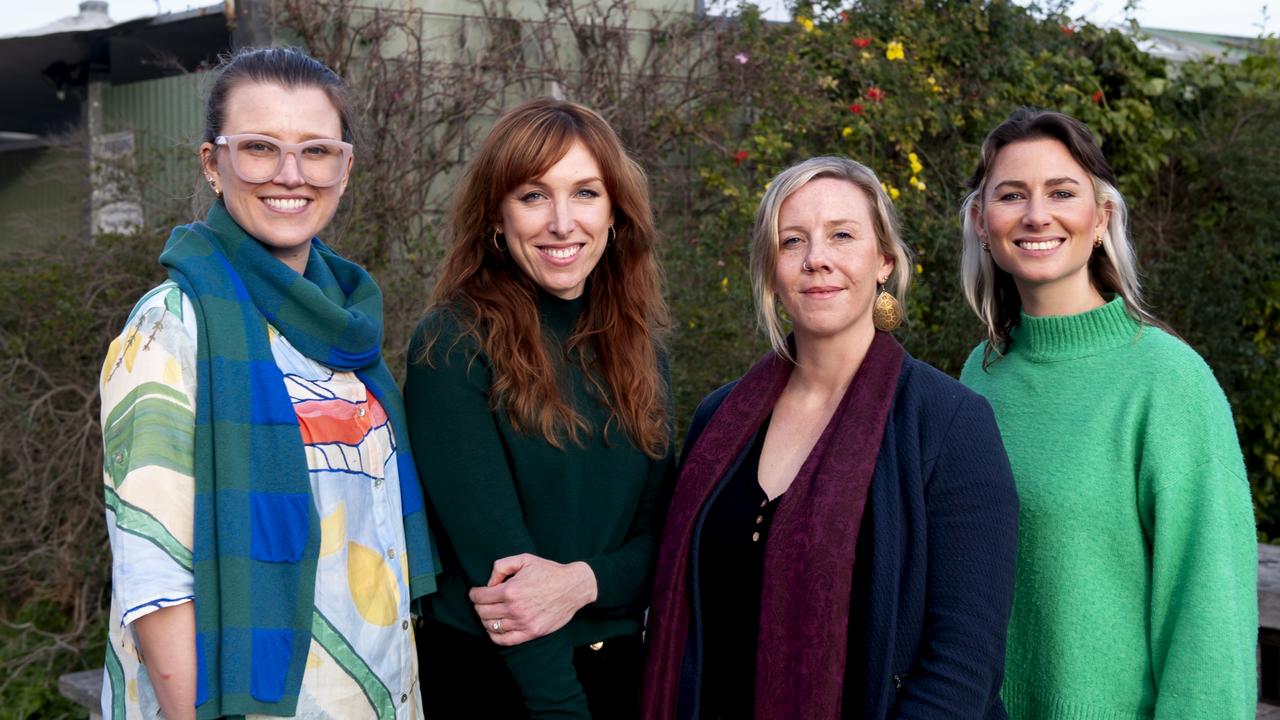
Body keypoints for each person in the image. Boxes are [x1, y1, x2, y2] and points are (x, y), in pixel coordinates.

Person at [99, 47, 438, 719]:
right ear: (211, 163)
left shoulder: (344, 324)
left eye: (316, 151)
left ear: (345, 167)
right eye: (259, 147)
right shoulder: (171, 328)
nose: (291, 175)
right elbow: (155, 577)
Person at [642, 156, 1019, 719]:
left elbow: (963, 668)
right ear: (772, 270)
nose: (817, 259)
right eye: (792, 241)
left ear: (884, 261)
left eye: (842, 235)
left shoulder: (948, 424)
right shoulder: (718, 419)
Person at [958, 108, 1257, 719]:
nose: (1037, 215)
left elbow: (1210, 614)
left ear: (1102, 218)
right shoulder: (977, 376)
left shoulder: (1168, 380)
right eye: (1012, 195)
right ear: (981, 223)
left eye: (1062, 192)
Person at [404, 98, 673, 719]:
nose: (561, 222)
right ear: (496, 217)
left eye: (585, 193)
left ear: (615, 215)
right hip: (500, 683)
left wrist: (584, 581)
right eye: (532, 195)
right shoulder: (453, 343)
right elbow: (505, 582)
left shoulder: (640, 348)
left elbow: (662, 539)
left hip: (624, 673)